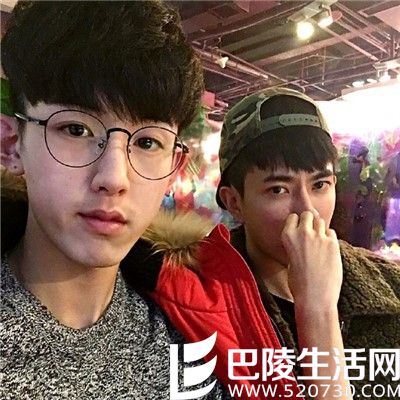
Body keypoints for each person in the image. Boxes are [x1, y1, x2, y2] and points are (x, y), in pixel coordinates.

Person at [0, 1, 231, 399]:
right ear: (11, 146)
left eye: (147, 142)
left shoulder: (193, 352)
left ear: (173, 169)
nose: (113, 178)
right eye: (76, 129)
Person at [122, 88, 399, 399]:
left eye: (320, 184)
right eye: (278, 190)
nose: (307, 210)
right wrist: (317, 309)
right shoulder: (196, 305)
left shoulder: (390, 288)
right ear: (234, 202)